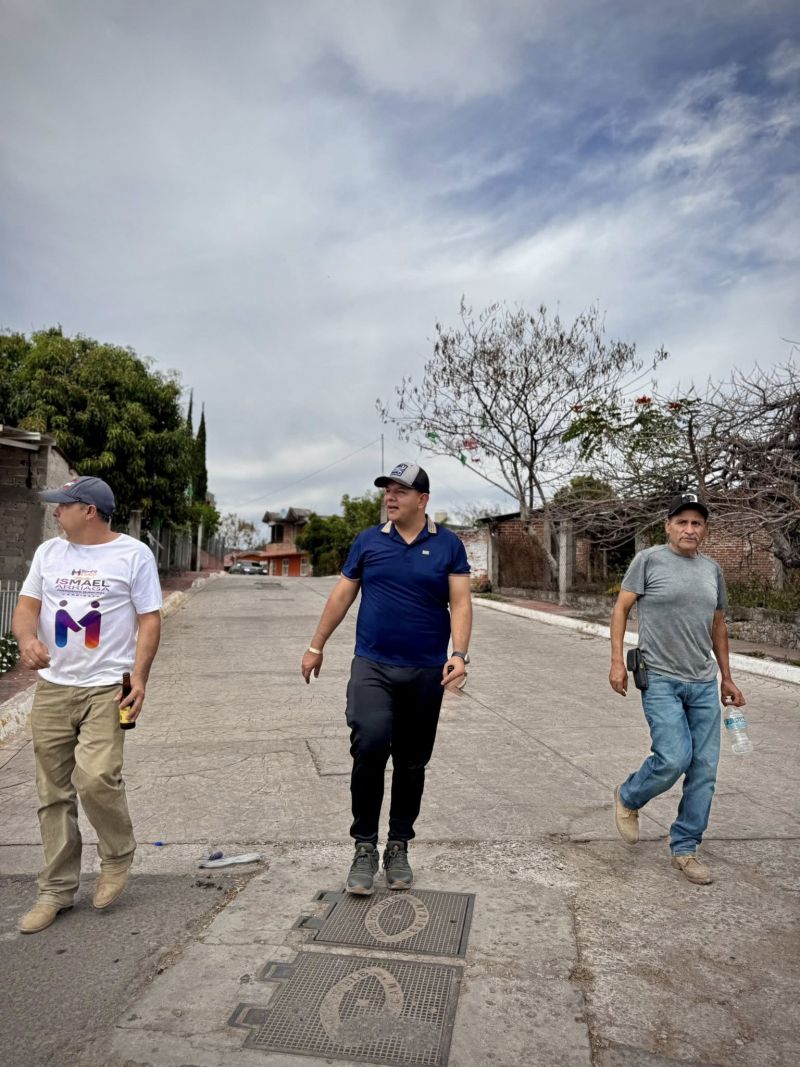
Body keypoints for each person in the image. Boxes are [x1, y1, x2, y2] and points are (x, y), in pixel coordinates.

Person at [301, 462, 472, 894]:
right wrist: (317, 644)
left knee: (413, 761)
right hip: (372, 665)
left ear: (423, 500)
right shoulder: (368, 542)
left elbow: (462, 602)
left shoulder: (449, 545)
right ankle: (363, 846)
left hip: (424, 671)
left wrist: (459, 654)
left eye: (400, 491)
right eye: (387, 491)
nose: (390, 497)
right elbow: (342, 594)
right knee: (371, 742)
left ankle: (398, 845)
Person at [12, 476, 162, 933]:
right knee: (52, 793)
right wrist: (25, 638)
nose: (56, 512)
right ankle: (56, 889)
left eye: (63, 505)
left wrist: (139, 678)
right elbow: (26, 606)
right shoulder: (48, 553)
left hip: (106, 688)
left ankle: (117, 855)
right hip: (54, 687)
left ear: (89, 511)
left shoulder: (133, 554)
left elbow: (149, 619)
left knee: (96, 777)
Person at [609, 493, 746, 885]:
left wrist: (727, 676)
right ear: (667, 525)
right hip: (661, 679)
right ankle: (629, 796)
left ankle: (685, 848)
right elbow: (621, 609)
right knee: (673, 758)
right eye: (682, 522)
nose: (689, 529)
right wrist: (617, 661)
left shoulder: (712, 571)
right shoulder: (649, 560)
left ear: (705, 530)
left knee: (704, 770)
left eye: (697, 523)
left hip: (702, 683)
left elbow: (718, 625)